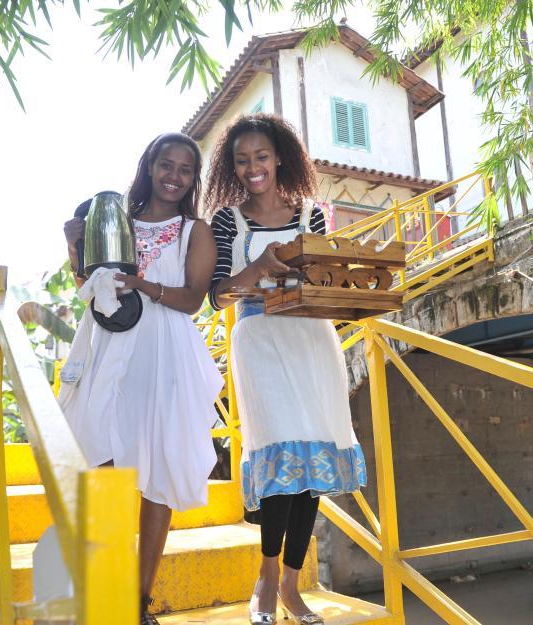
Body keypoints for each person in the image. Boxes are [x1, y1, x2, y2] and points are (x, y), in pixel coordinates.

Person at [205, 114, 366, 625]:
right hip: (259, 341)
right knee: (279, 463)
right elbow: (216, 296)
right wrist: (258, 269)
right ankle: (267, 578)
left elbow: (320, 283)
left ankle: (293, 589)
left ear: (280, 159)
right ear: (233, 167)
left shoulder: (311, 214)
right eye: (242, 159)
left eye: (262, 157)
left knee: (311, 466)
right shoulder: (227, 221)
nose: (253, 167)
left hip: (311, 341)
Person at [59, 132, 222, 625]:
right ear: (149, 167)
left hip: (164, 351)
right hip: (109, 344)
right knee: (101, 457)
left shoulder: (195, 230)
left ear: (193, 179)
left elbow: (194, 298)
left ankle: (138, 600)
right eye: (165, 165)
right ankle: (108, 585)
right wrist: (74, 245)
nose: (174, 176)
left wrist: (141, 284)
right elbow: (90, 287)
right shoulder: (117, 220)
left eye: (185, 170)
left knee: (158, 472)